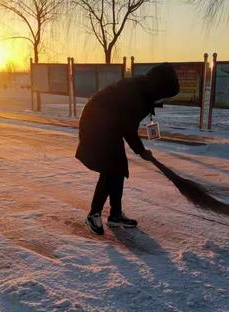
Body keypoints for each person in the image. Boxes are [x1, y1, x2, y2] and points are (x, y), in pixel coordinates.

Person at [76, 63, 180, 235]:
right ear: (160, 88)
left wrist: (140, 150)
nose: (165, 99)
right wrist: (141, 151)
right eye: (166, 95)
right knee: (110, 169)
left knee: (118, 168)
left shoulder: (143, 90)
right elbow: (127, 127)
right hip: (95, 124)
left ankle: (115, 215)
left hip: (110, 126)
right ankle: (94, 214)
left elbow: (125, 124)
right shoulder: (137, 95)